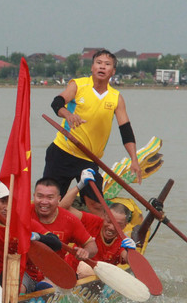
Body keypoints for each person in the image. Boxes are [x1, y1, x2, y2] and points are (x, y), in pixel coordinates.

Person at [44, 49, 141, 216]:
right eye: (99, 63)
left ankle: (94, 236)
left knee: (96, 206)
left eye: (107, 64)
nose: (102, 67)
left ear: (113, 71)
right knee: (49, 201)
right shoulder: (78, 85)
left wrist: (134, 159)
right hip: (62, 153)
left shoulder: (116, 98)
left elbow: (126, 131)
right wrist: (68, 114)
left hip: (89, 160)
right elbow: (56, 102)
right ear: (92, 67)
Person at [26, 177, 96, 291]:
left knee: (47, 286)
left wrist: (85, 252)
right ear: (33, 196)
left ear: (59, 199)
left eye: (50, 197)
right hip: (25, 271)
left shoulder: (69, 220)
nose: (44, 202)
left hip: (53, 275)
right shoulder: (23, 212)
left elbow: (92, 245)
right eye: (40, 196)